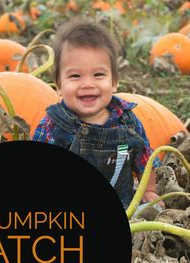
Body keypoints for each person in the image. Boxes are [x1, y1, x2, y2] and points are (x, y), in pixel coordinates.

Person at [32, 17, 164, 210]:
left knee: (152, 210)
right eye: (75, 76)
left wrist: (149, 190)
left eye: (98, 75)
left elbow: (144, 157)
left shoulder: (127, 121)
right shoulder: (53, 125)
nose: (88, 84)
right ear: (59, 86)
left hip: (123, 206)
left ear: (114, 82)